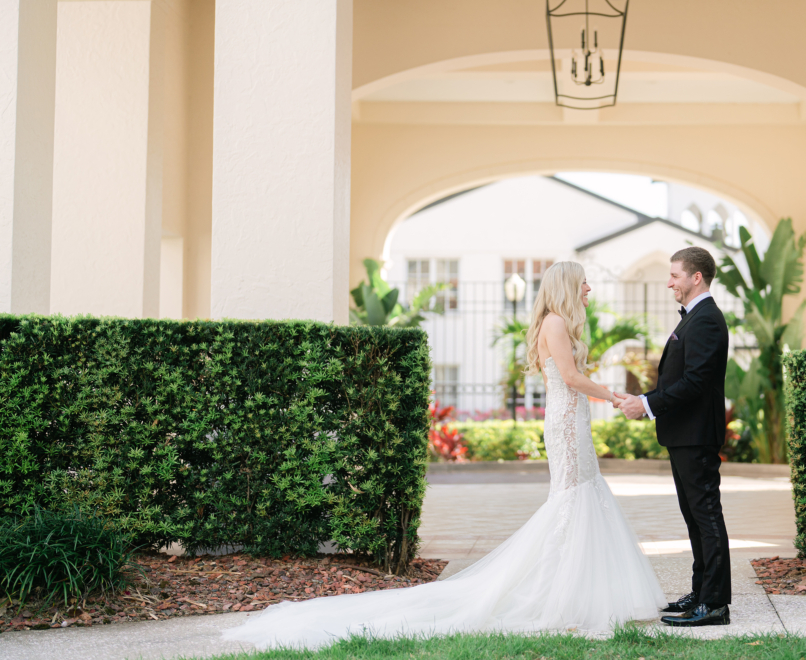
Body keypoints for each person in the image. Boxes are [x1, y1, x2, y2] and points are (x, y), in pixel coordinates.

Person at [222, 261, 665, 649]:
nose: (589, 289)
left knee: (582, 496)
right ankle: (557, 592)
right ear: (568, 286)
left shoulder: (560, 323)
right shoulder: (554, 322)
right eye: (584, 283)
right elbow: (569, 376)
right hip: (568, 426)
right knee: (572, 500)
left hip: (572, 422)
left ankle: (576, 589)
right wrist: (613, 395)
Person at [614, 247, 731, 627]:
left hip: (696, 435)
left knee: (706, 517)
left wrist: (647, 404)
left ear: (696, 277)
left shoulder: (707, 320)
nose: (669, 283)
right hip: (684, 434)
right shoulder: (695, 318)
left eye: (675, 276)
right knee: (695, 518)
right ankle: (701, 593)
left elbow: (695, 382)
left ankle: (714, 605)